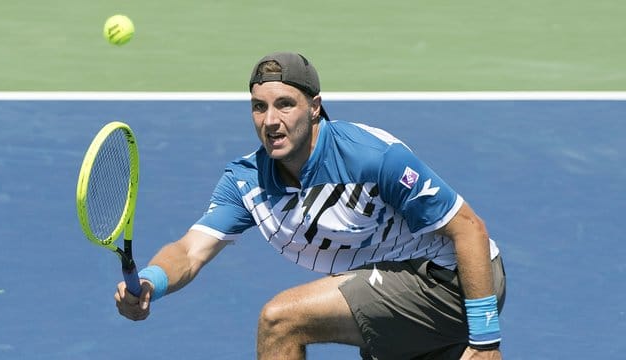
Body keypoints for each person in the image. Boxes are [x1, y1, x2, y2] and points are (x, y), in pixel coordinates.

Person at [115, 52, 506, 360]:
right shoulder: (245, 182)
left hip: (454, 279)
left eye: (285, 104)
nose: (270, 120)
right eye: (258, 107)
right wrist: (152, 280)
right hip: (389, 282)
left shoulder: (372, 157)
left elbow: (468, 228)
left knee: (281, 319)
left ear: (315, 107)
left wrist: (486, 339)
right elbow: (189, 250)